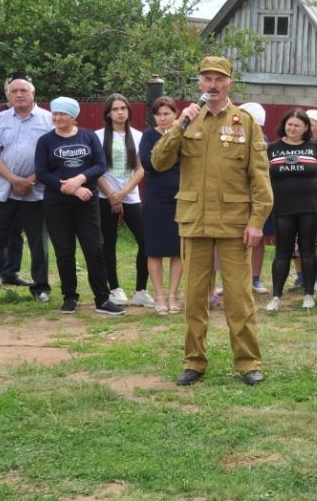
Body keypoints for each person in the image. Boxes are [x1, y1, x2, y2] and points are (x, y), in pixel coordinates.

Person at [152, 56, 273, 387]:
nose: (213, 85)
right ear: (199, 83)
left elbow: (259, 177)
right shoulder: (188, 120)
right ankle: (194, 361)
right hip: (195, 222)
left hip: (235, 224)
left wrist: (256, 221)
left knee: (239, 298)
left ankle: (248, 363)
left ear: (229, 83)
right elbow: (159, 162)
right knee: (194, 297)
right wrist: (179, 124)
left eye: (219, 79)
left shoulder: (245, 122)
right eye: (206, 78)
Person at [34, 97, 124, 316]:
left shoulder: (89, 136)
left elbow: (100, 165)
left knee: (95, 250)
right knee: (64, 252)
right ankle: (69, 296)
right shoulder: (45, 141)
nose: (57, 118)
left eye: (62, 114)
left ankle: (102, 299)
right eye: (54, 113)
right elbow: (42, 172)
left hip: (87, 203)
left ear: (74, 116)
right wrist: (72, 187)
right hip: (57, 204)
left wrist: (81, 178)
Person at [264, 109, 317, 312]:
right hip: (282, 208)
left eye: (297, 125)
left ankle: (309, 294)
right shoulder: (272, 149)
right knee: (282, 252)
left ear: (306, 129)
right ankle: (276, 296)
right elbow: (264, 176)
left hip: (310, 208)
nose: (292, 128)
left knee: (308, 251)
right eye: (289, 124)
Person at [0, 72, 53, 300]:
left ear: (33, 93)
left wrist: (29, 180)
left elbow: (52, 158)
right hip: (3, 190)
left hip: (36, 192)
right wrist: (14, 179)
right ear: (8, 94)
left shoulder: (48, 120)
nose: (19, 94)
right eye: (14, 91)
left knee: (38, 242)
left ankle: (41, 288)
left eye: (23, 90)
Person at [95, 93, 150, 308]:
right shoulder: (98, 136)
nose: (120, 112)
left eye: (123, 108)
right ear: (108, 113)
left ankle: (141, 290)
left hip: (131, 196)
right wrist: (111, 195)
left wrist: (123, 192)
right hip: (104, 196)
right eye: (115, 109)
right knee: (108, 244)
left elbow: (140, 169)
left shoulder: (138, 136)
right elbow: (98, 170)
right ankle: (115, 289)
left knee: (146, 241)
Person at [138, 96, 184, 314]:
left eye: (167, 113)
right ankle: (158, 297)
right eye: (159, 114)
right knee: (154, 250)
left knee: (178, 250)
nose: (163, 118)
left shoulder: (184, 134)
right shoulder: (148, 135)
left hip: (180, 197)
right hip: (156, 198)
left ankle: (173, 295)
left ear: (176, 114)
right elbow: (148, 163)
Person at [239, 102, 271, 295]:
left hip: (256, 198)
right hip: (236, 198)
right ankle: (232, 280)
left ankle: (255, 278)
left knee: (257, 239)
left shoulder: (262, 141)